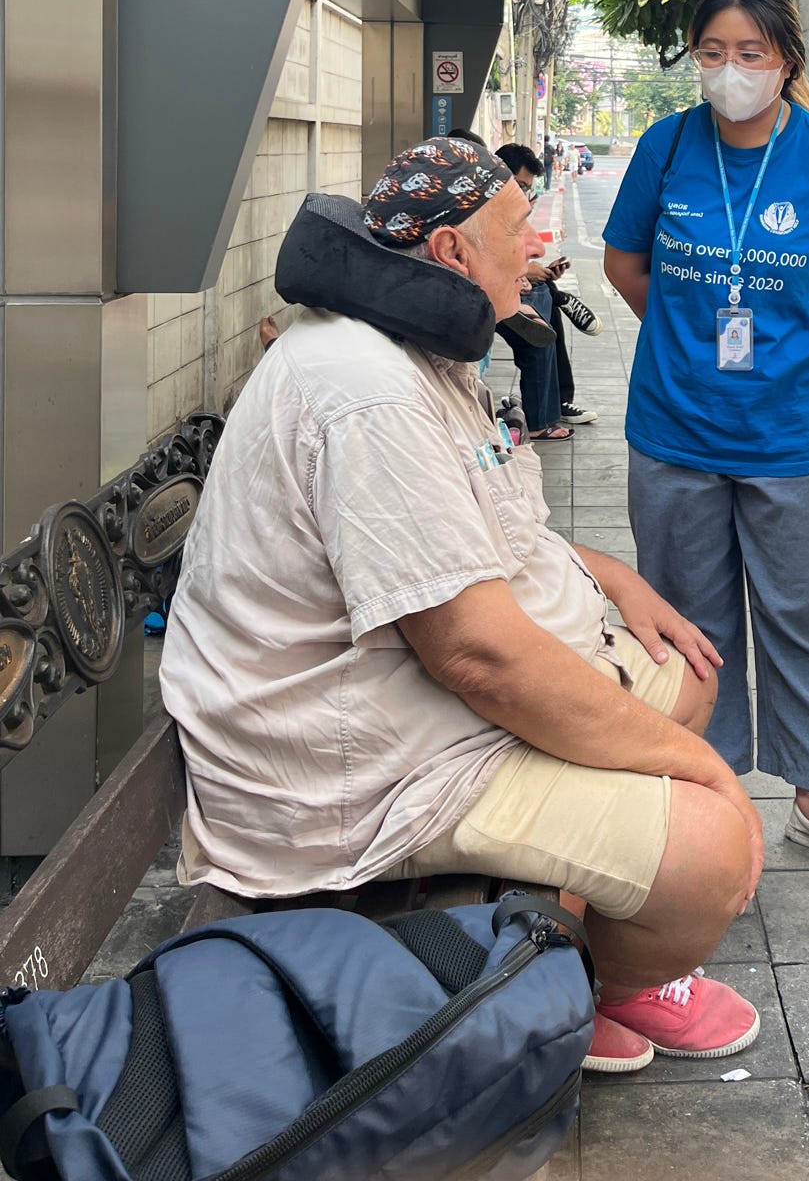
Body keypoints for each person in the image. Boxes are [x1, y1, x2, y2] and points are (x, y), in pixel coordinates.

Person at [160, 135, 764, 1076]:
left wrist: (610, 573)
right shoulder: (367, 390)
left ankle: (585, 954)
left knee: (680, 670)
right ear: (451, 253)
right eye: (520, 230)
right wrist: (701, 772)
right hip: (361, 770)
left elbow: (482, 524)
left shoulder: (414, 345)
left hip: (414, 709)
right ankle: (582, 993)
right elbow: (476, 657)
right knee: (713, 849)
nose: (537, 249)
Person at [603, 0, 809, 880]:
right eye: (712, 54)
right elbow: (624, 262)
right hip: (674, 429)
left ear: (785, 61)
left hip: (794, 432)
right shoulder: (666, 146)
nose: (730, 72)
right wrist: (682, 334)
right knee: (685, 623)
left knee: (806, 619)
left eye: (750, 54)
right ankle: (708, 795)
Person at [497, 143, 600, 431]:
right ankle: (542, 422)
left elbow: (526, 250)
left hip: (509, 285)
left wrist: (530, 271)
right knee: (540, 329)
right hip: (488, 291)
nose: (522, 194)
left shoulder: (506, 206)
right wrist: (521, 271)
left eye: (526, 189)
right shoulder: (479, 207)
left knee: (545, 309)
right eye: (518, 185)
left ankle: (557, 404)